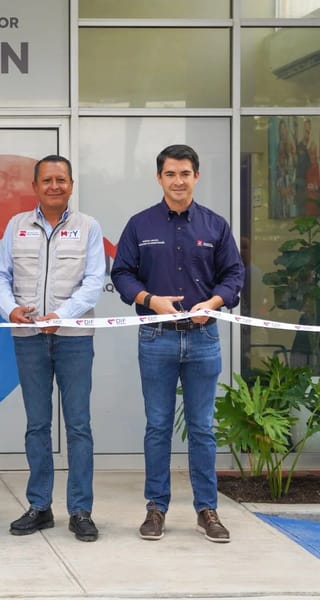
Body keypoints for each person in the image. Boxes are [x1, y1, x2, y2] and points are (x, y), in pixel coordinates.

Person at [111, 144, 244, 544]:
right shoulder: (140, 225)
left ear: (196, 176)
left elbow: (234, 275)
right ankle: (156, 509)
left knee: (202, 428)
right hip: (157, 337)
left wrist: (214, 303)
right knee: (158, 426)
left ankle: (207, 509)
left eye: (185, 173)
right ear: (159, 178)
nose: (178, 181)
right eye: (170, 174)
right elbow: (121, 274)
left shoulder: (215, 225)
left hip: (203, 337)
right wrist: (151, 301)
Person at [0, 154, 104, 542]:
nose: (55, 186)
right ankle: (40, 506)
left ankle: (81, 510)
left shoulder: (88, 227)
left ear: (71, 185)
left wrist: (64, 314)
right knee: (37, 425)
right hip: (29, 339)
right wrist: (10, 309)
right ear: (35, 186)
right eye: (47, 180)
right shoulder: (16, 226)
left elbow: (93, 281)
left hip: (74, 339)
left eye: (61, 180)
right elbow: (0, 275)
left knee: (78, 426)